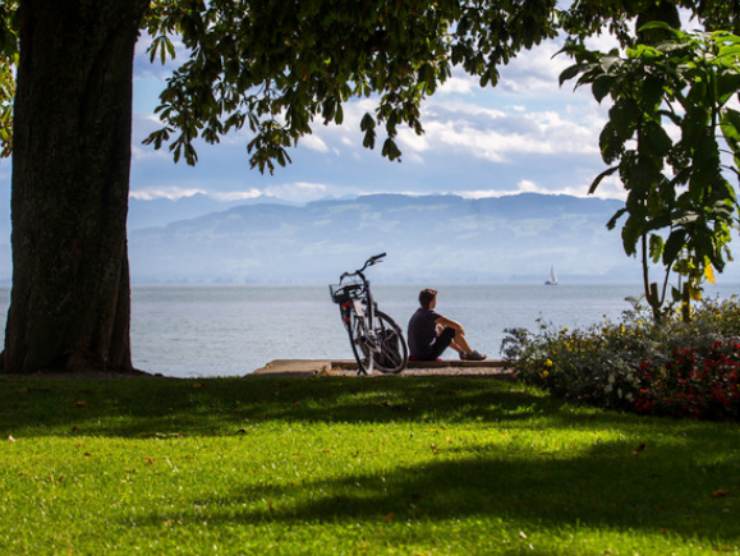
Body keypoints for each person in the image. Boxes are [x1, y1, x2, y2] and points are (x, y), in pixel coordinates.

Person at [407, 288, 486, 361]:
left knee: (444, 330)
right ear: (431, 302)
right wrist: (460, 329)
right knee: (451, 330)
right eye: (435, 300)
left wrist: (460, 350)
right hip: (425, 356)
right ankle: (471, 354)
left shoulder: (418, 313)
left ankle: (462, 352)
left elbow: (444, 337)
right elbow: (455, 326)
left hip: (416, 355)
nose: (436, 302)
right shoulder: (430, 315)